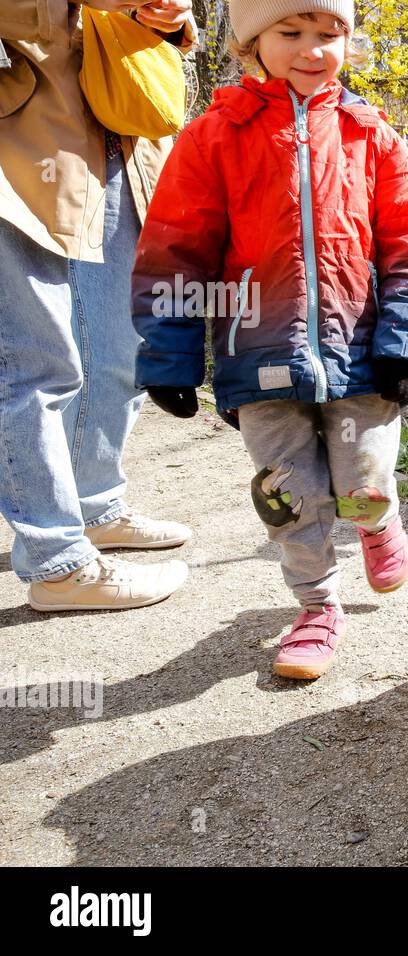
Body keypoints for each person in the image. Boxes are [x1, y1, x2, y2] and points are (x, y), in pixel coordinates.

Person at [132, 0, 408, 679]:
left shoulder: (372, 136)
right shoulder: (214, 136)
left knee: (364, 474)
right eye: (291, 32)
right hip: (258, 352)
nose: (313, 49)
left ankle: (376, 520)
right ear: (251, 42)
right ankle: (316, 607)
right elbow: (174, 251)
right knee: (289, 491)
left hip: (362, 353)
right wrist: (169, 355)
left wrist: (405, 344)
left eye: (329, 34)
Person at [0, 0, 197, 612]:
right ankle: (57, 561)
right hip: (19, 139)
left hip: (114, 140)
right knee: (35, 361)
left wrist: (169, 16)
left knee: (121, 345)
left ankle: (93, 503)